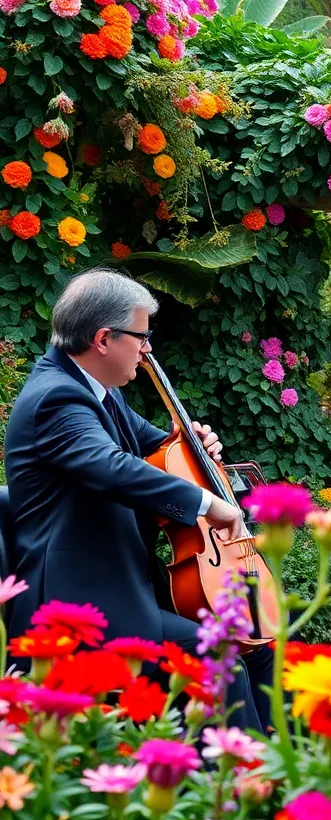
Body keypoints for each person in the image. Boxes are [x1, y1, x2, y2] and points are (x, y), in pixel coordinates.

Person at [3, 268, 272, 732]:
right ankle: (236, 788)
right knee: (221, 658)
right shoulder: (57, 399)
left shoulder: (98, 393)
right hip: (79, 605)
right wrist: (208, 505)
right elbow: (110, 465)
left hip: (118, 586)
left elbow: (154, 449)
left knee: (260, 649)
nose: (147, 349)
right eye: (142, 337)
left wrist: (192, 444)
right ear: (104, 338)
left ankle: (269, 769)